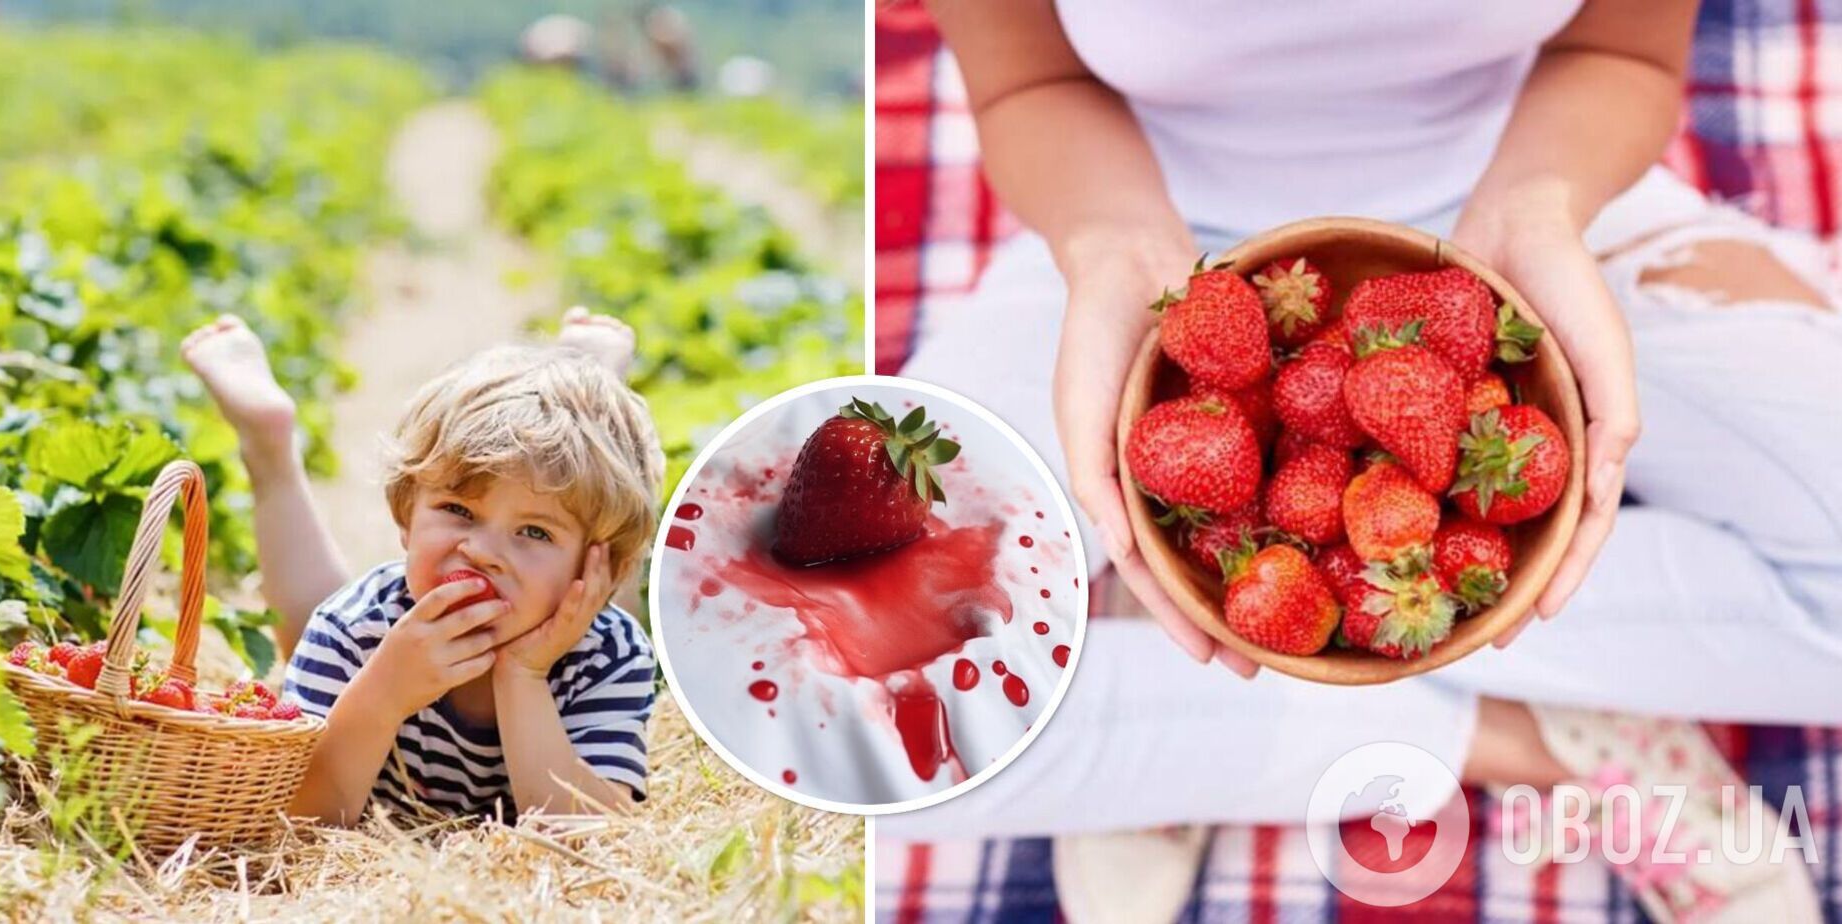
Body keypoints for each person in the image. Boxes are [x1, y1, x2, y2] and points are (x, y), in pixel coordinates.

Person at [884, 1, 1842, 920]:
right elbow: (1029, 83)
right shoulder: (1142, 267)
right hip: (1139, 248)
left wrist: (1538, 208)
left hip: (1528, 208)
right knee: (869, 731)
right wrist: (1113, 251)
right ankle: (1530, 737)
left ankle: (1189, 705)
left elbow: (1625, 54)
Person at [180, 309, 661, 824]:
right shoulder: (352, 626)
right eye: (458, 510)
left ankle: (589, 389)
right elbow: (304, 820)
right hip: (361, 642)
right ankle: (270, 449)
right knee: (305, 623)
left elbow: (588, 834)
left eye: (534, 532)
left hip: (584, 600)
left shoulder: (605, 655)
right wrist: (384, 692)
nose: (482, 552)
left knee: (605, 545)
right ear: (406, 517)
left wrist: (523, 674)